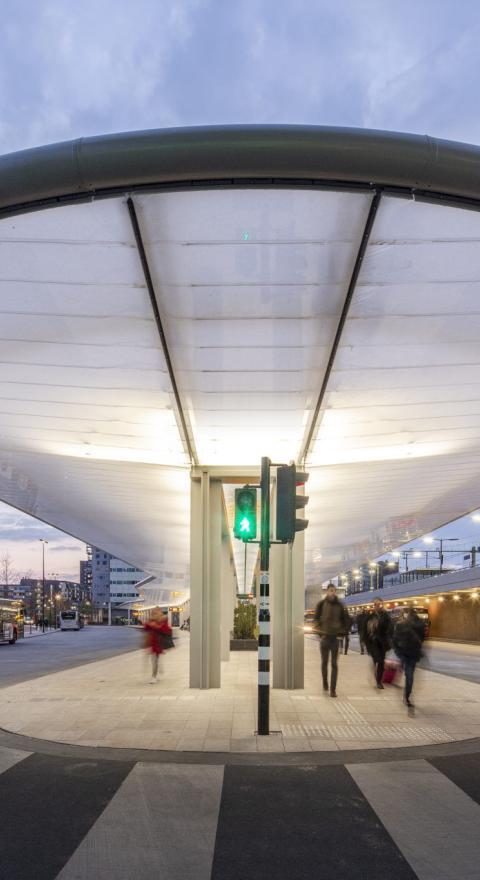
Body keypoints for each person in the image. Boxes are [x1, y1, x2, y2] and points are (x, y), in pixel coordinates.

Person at [313, 584, 350, 697]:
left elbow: (347, 621)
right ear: (327, 592)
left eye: (334, 591)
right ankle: (325, 682)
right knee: (324, 662)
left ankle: (333, 689)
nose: (332, 592)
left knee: (334, 664)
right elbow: (316, 620)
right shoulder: (321, 604)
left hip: (335, 639)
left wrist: (341, 633)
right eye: (330, 590)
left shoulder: (340, 605)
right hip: (325, 638)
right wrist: (320, 634)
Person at [392, 609, 426, 709]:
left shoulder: (402, 625)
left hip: (408, 654)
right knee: (410, 675)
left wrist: (397, 650)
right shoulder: (419, 625)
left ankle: (406, 696)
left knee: (409, 675)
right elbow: (423, 640)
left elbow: (394, 639)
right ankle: (407, 697)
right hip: (409, 654)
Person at [361, 599, 393, 689]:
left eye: (379, 604)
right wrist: (365, 641)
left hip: (382, 642)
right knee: (377, 660)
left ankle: (379, 681)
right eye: (375, 604)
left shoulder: (386, 616)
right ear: (374, 605)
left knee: (381, 662)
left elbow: (390, 627)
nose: (377, 606)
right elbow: (364, 630)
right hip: (372, 642)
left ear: (382, 605)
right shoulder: (370, 616)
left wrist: (389, 639)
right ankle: (376, 672)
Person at [143, 608, 172, 684]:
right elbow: (146, 629)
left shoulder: (163, 620)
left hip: (159, 642)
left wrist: (156, 626)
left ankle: (154, 676)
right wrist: (147, 624)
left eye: (155, 612)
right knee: (155, 659)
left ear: (159, 613)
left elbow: (167, 630)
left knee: (155, 660)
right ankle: (158, 672)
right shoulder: (151, 620)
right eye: (153, 612)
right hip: (152, 642)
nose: (153, 614)